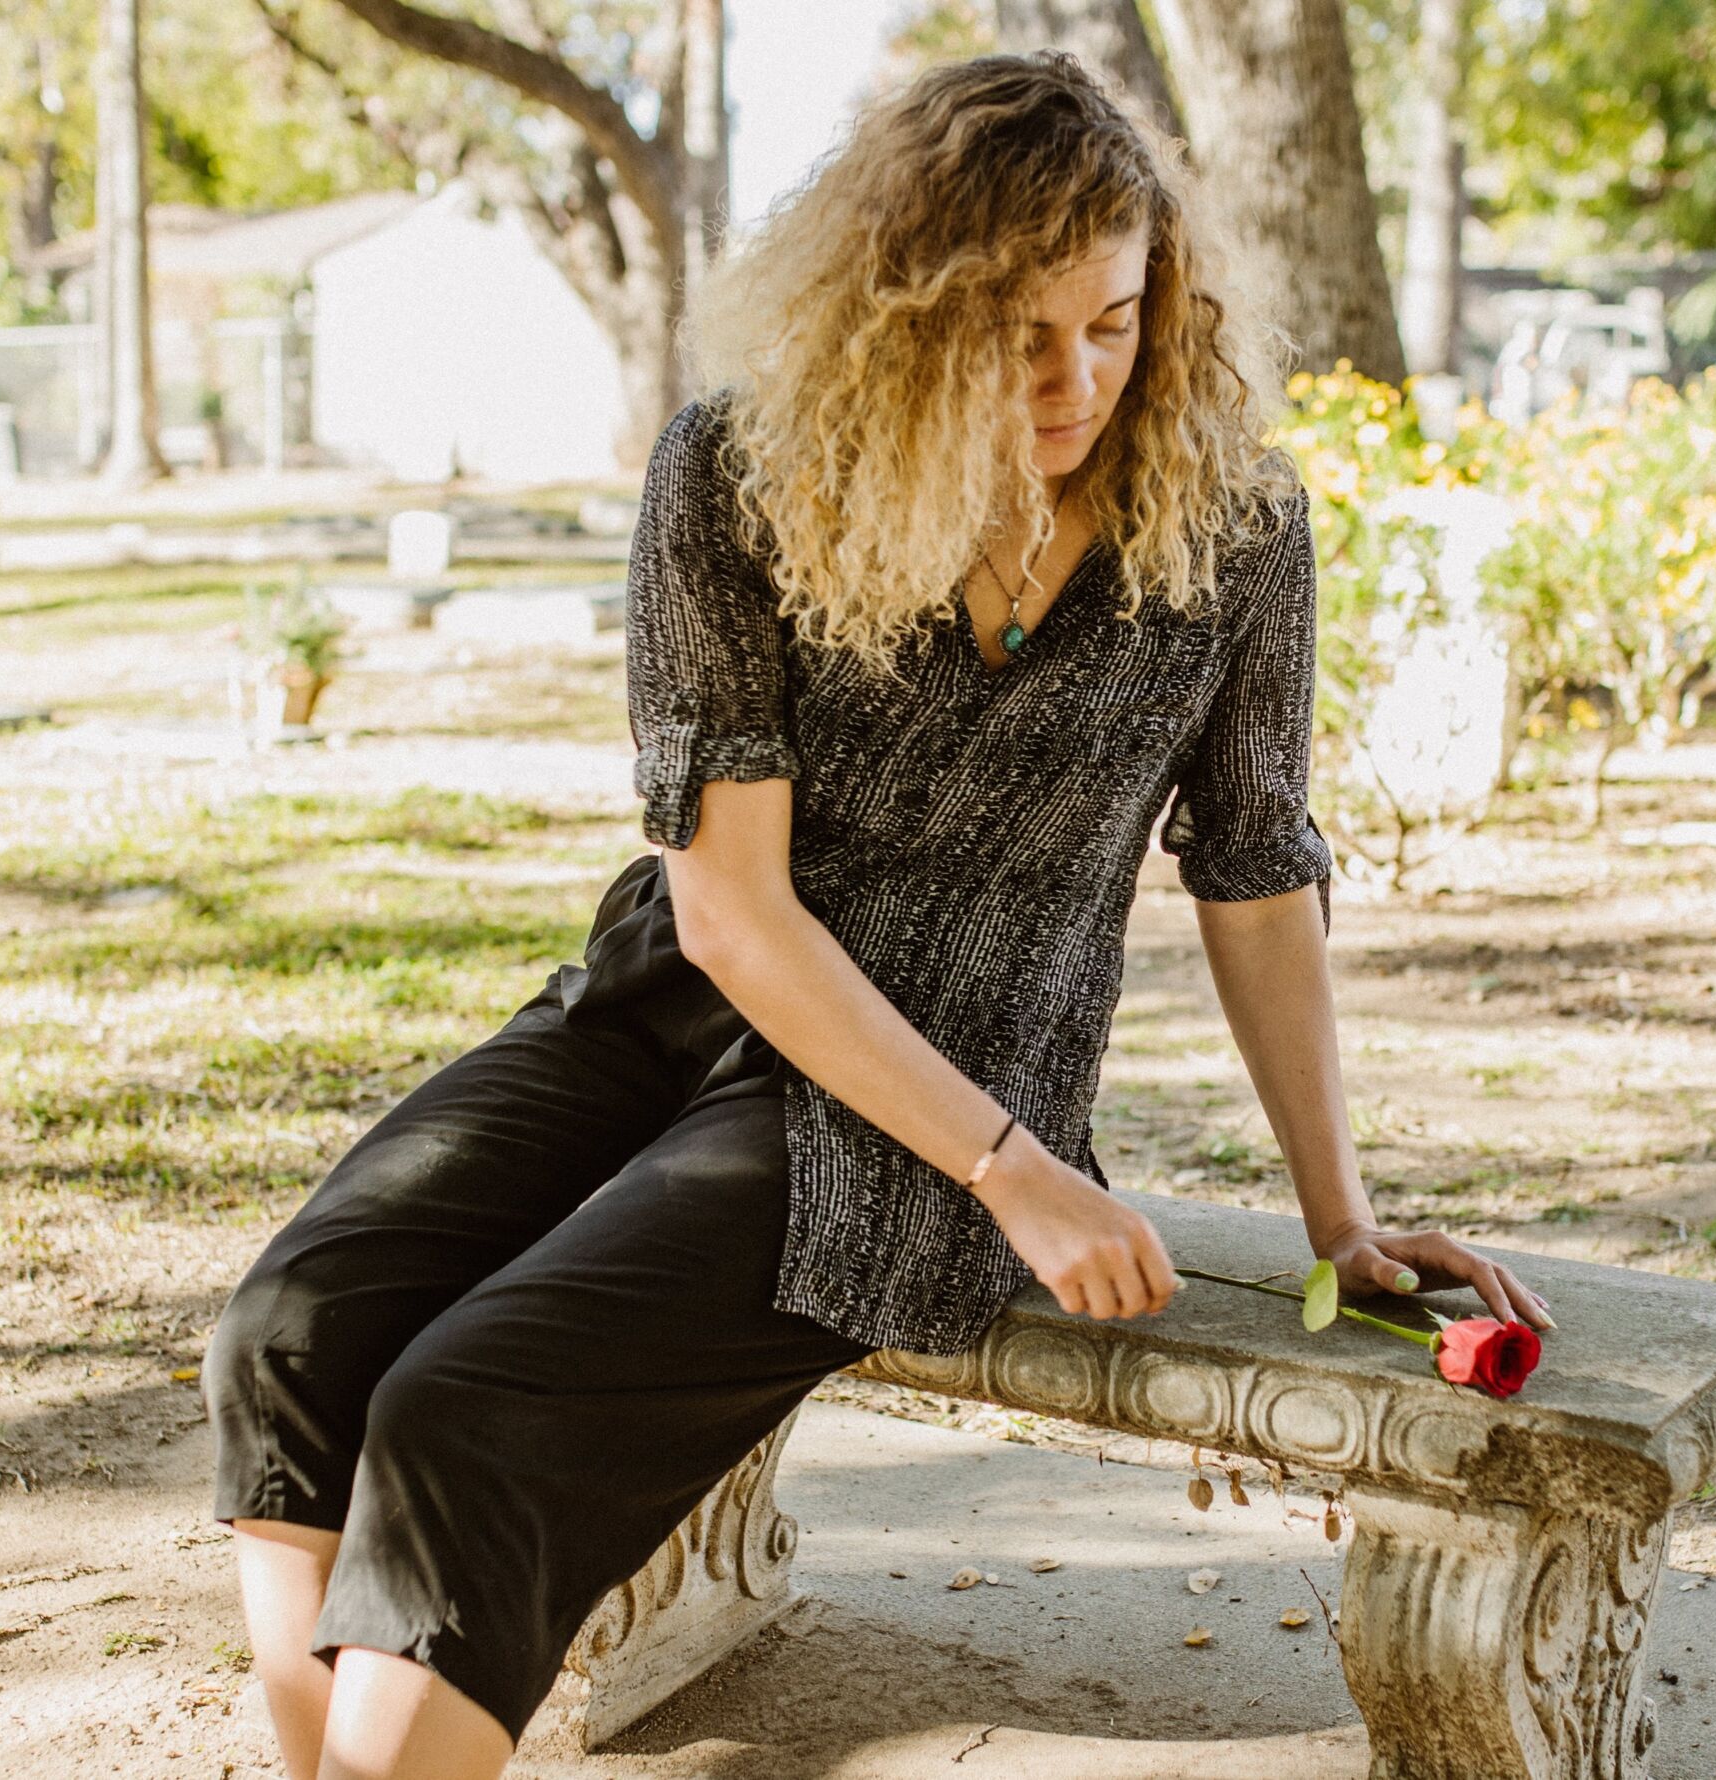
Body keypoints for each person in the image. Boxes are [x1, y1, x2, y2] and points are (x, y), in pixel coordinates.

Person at [201, 48, 1555, 1780]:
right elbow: (733, 917)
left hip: (946, 1091)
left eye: (1117, 322)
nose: (1077, 380)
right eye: (1019, 332)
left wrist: (1336, 1215)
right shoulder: (738, 480)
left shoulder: (1235, 527)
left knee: (471, 1410)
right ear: (904, 312)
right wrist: (1023, 1173)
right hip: (685, 1001)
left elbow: (1255, 859)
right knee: (298, 1327)